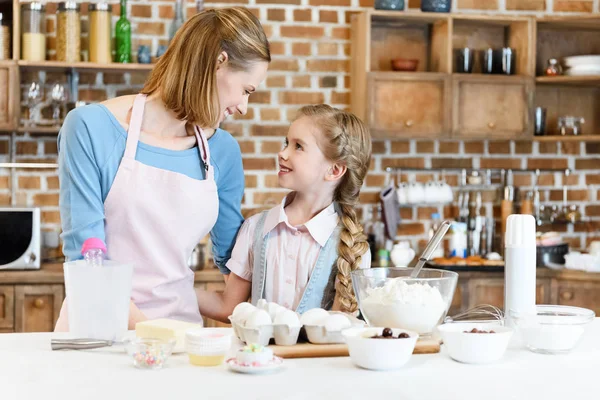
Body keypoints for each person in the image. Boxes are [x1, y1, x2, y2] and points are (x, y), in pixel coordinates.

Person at [54, 7, 270, 330]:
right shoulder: (89, 129)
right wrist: (155, 335)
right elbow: (87, 263)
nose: (243, 106)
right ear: (219, 62)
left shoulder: (221, 153)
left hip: (179, 340)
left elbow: (233, 266)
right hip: (99, 335)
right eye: (246, 90)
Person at [197, 104, 372, 321]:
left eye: (298, 146)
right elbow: (228, 307)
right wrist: (175, 288)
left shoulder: (351, 249)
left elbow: (339, 334)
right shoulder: (254, 228)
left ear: (334, 170)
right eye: (286, 143)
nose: (283, 153)